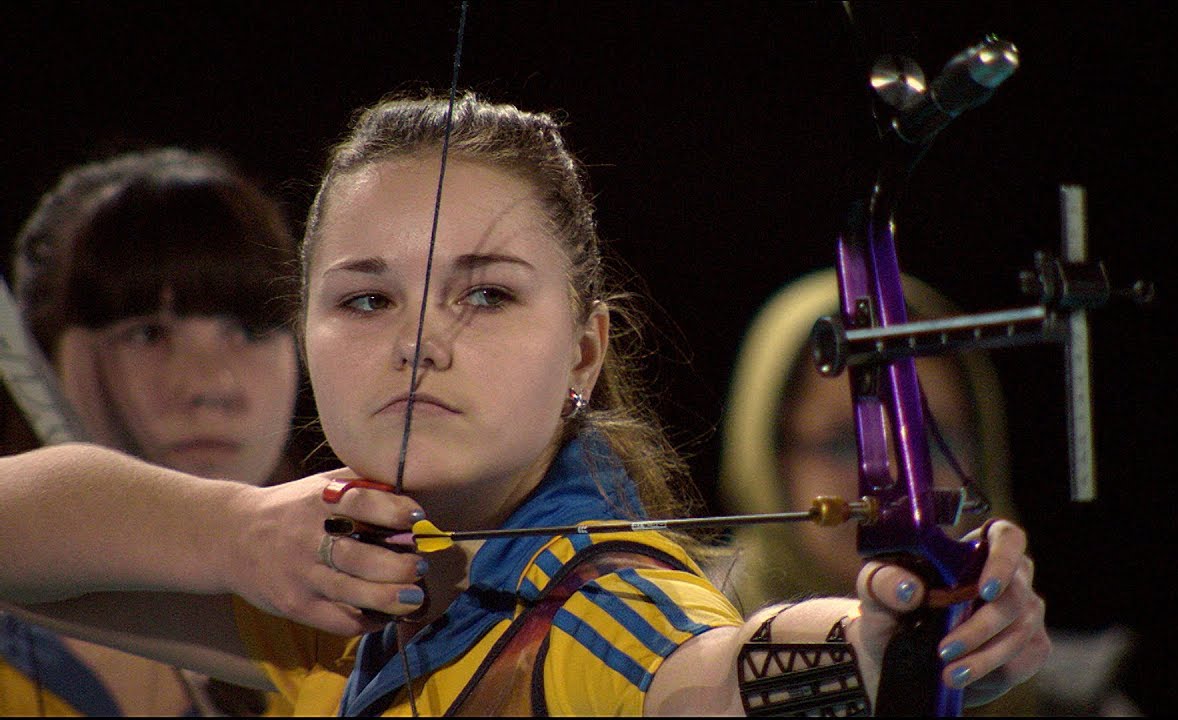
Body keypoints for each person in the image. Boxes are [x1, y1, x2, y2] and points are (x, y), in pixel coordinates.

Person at [0, 92, 1048, 716]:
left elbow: (702, 672)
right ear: (307, 332)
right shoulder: (343, 592)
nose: (416, 339)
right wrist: (233, 533)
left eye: (487, 293)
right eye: (364, 298)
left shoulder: (594, 606)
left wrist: (887, 644)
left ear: (583, 350)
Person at [718, 268, 1138, 715]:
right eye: (845, 442)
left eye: (933, 442)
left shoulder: (1075, 704)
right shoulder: (669, 639)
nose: (900, 480)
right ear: (765, 456)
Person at [0, 148, 303, 716]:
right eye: (145, 334)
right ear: (44, 358)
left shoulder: (351, 650)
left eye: (250, 328)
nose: (210, 385)